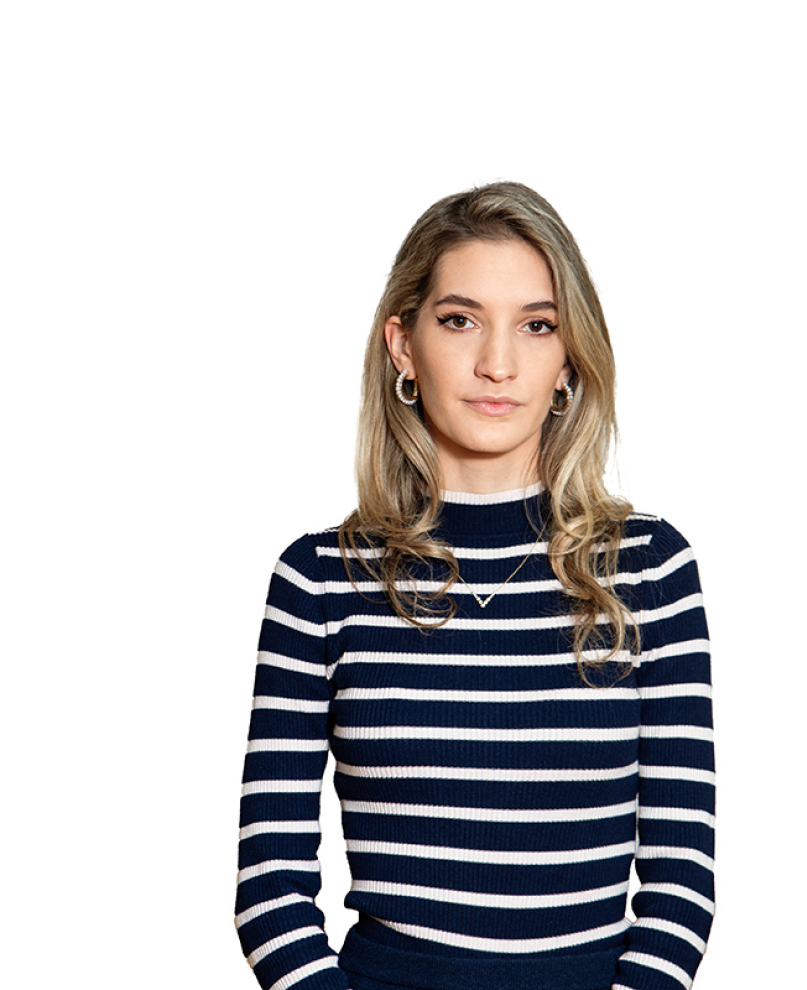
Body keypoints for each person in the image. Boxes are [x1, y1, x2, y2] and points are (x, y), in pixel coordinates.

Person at [235, 182, 715, 990]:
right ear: (403, 346)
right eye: (460, 320)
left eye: (537, 325)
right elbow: (269, 889)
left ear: (570, 359)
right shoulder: (319, 581)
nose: (498, 363)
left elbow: (681, 883)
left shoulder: (648, 569)